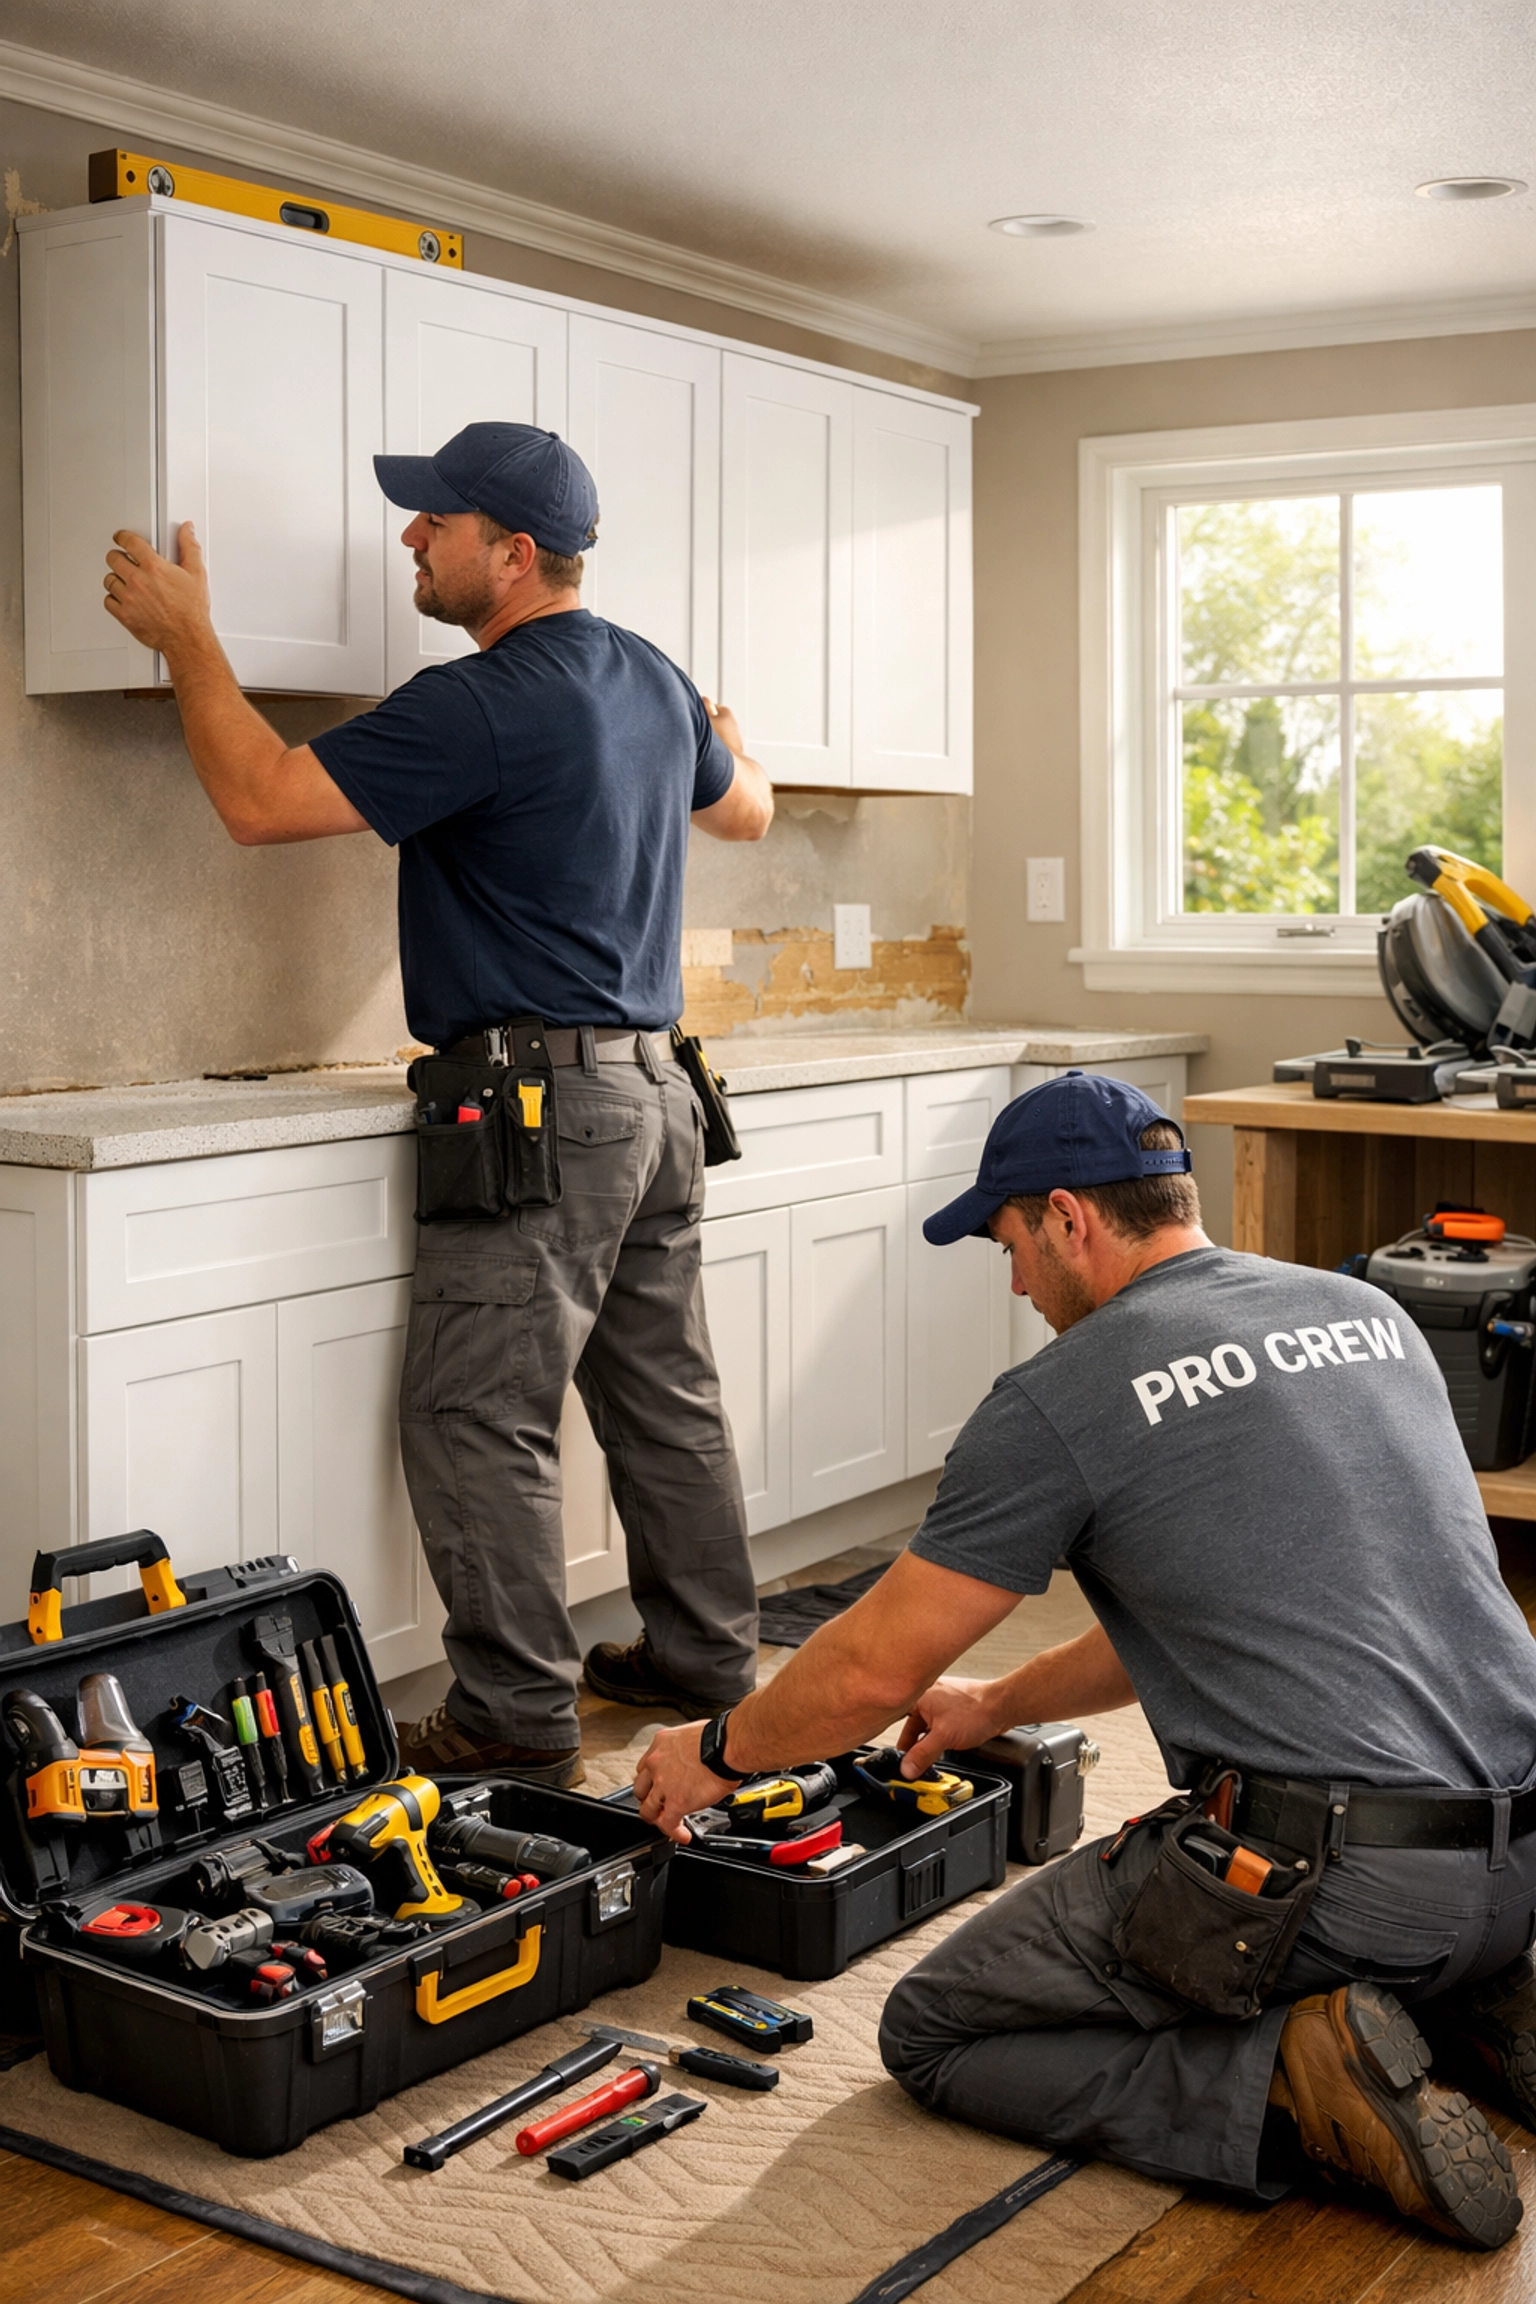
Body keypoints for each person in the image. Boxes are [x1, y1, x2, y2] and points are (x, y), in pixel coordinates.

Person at [635, 1069, 1536, 2252]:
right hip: (1520, 1856)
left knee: (937, 2029)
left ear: (1067, 1217)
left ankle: (1291, 2078)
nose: (1014, 1282)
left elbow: (865, 1674)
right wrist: (995, 1702)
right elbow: (1218, 1609)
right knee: (1403, 1894)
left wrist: (715, 1750)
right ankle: (1467, 1991)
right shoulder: (1364, 1307)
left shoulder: (1065, 1395)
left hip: (1344, 1882)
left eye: (1008, 1245)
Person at [102, 421, 774, 1790]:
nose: (410, 536)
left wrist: (189, 639)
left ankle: (515, 1722)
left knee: (477, 1416)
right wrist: (725, 742)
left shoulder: (484, 698)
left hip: (544, 1112)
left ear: (512, 554)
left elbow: (258, 801)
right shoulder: (649, 674)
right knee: (667, 1403)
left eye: (437, 519)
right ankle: (708, 1665)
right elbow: (748, 809)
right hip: (658, 1095)